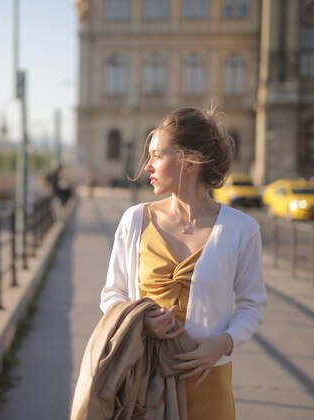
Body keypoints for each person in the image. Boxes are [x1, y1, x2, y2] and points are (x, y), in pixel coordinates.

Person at [100, 106, 267, 419]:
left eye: (158, 155)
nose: (148, 165)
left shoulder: (241, 229)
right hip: (143, 378)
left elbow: (252, 304)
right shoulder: (135, 220)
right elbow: (113, 293)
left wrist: (224, 343)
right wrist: (141, 323)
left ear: (190, 161)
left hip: (208, 378)